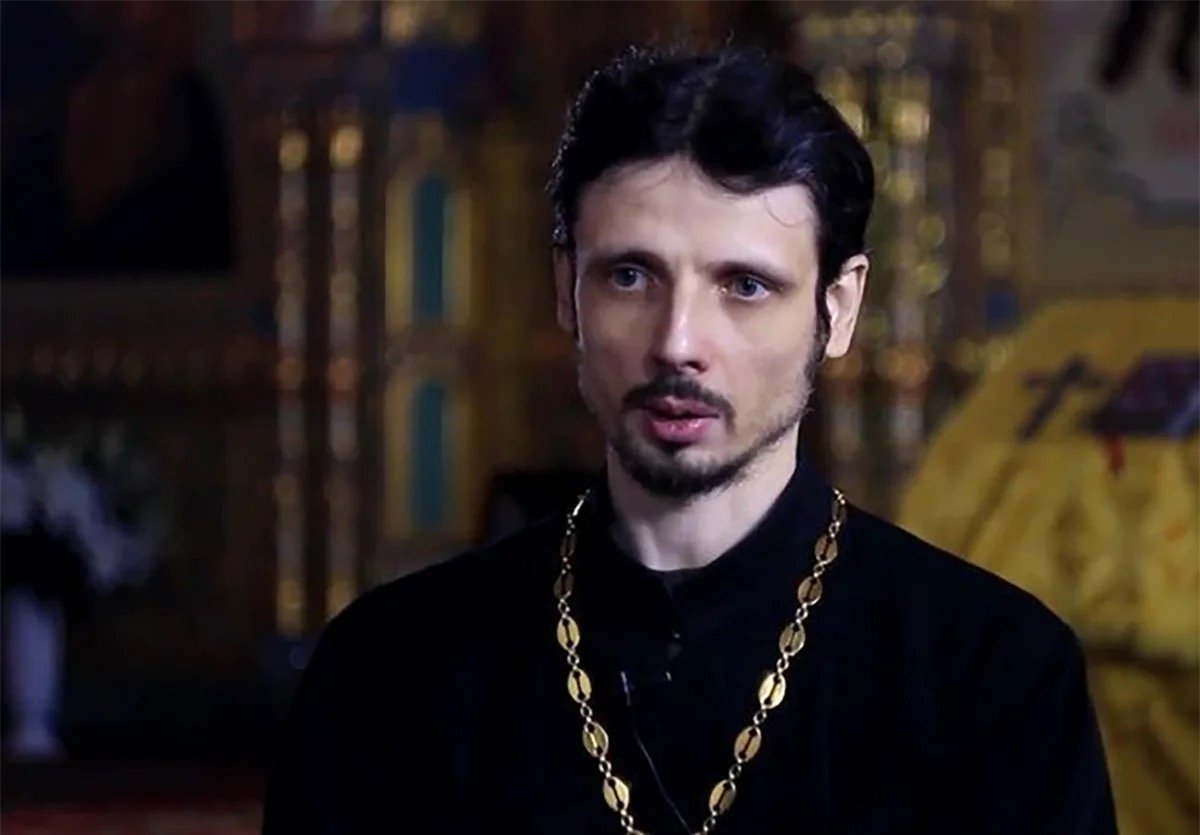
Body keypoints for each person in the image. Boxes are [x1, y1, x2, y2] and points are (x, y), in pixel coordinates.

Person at [262, 44, 1117, 835]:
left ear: (839, 306)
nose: (677, 340)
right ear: (568, 288)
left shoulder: (992, 677)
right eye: (630, 276)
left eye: (744, 286)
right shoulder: (390, 672)